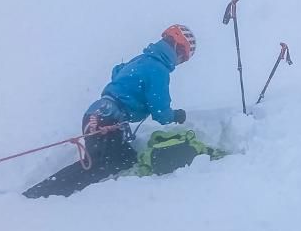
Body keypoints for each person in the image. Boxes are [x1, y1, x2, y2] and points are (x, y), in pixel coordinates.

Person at [23, 24, 197, 198]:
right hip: (108, 118)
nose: (180, 62)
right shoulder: (158, 70)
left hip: (98, 113)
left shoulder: (142, 59)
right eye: (183, 57)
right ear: (177, 47)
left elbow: (117, 71)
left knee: (125, 159)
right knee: (99, 165)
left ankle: (64, 196)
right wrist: (176, 115)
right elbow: (161, 112)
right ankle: (37, 196)